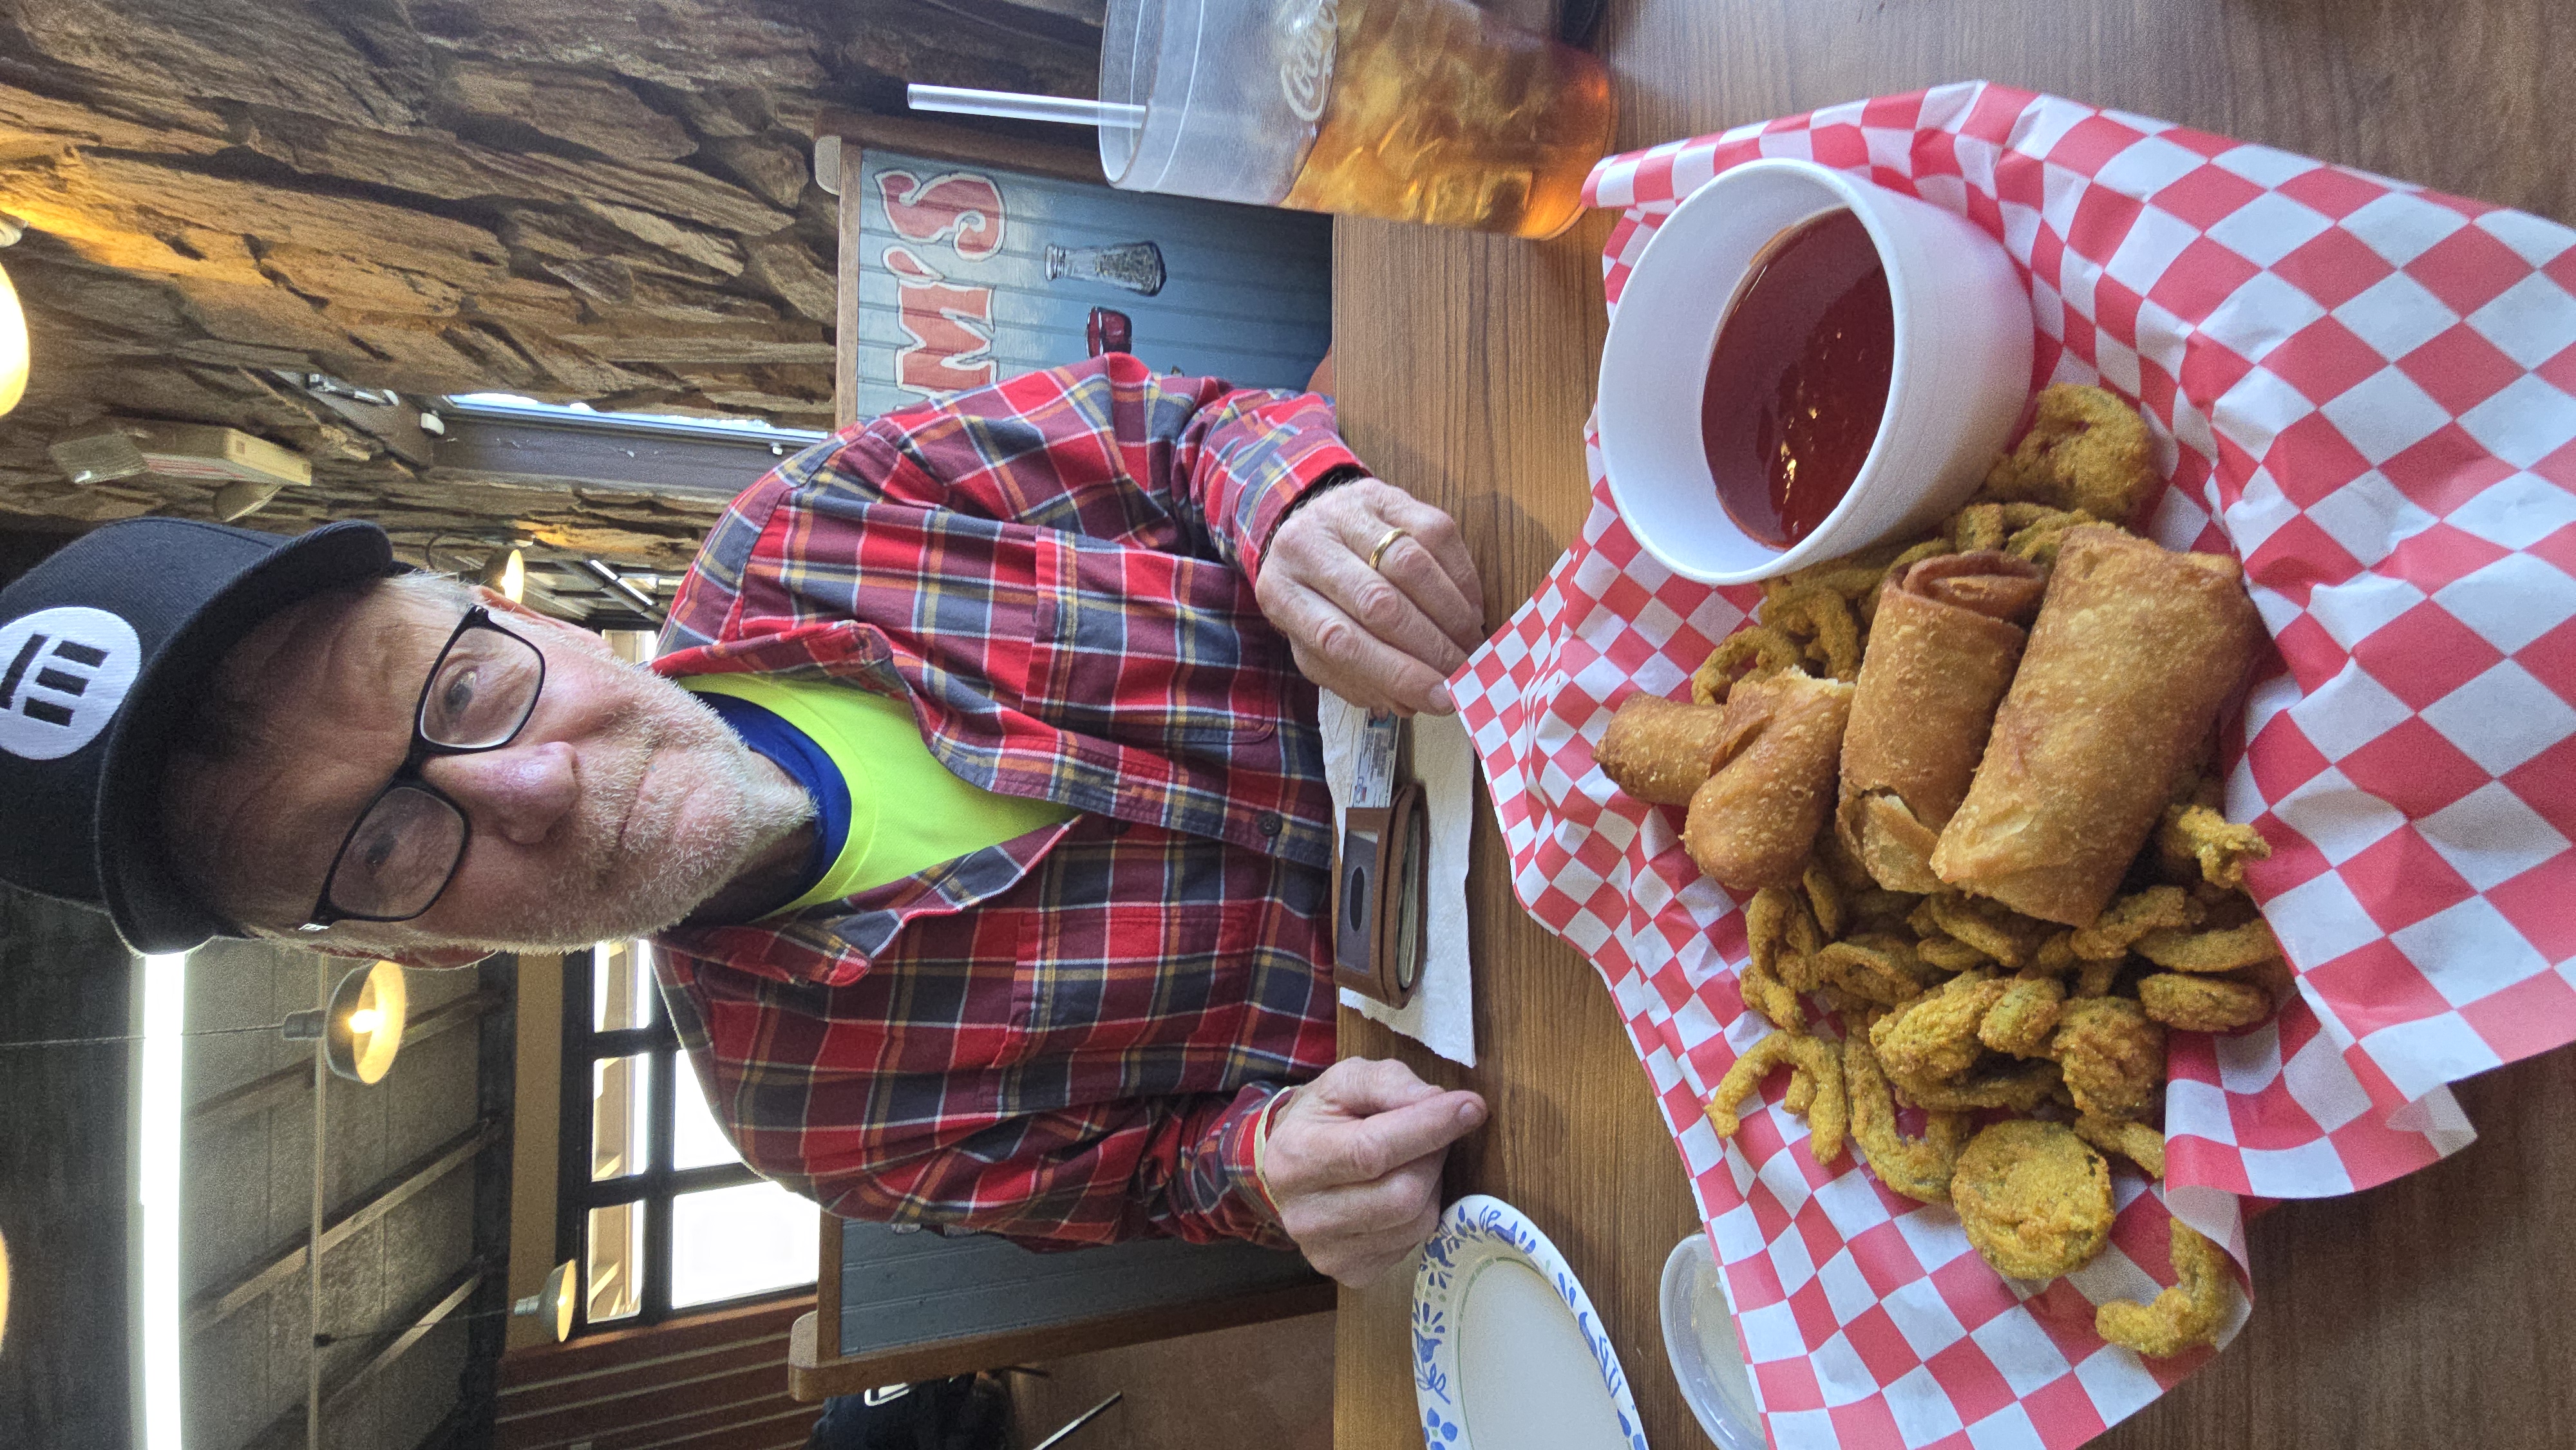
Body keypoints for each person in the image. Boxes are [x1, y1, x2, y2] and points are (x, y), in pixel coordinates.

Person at [0, 355, 1488, 1285]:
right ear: (432, 949)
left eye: (448, 688)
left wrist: (1289, 504)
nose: (532, 784)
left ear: (503, 601)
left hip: (1531, 636)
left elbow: (1173, 434)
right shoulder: (816, 1123)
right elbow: (1181, 1172)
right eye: (385, 847)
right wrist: (1279, 1169)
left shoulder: (814, 518)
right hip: (1581, 1038)